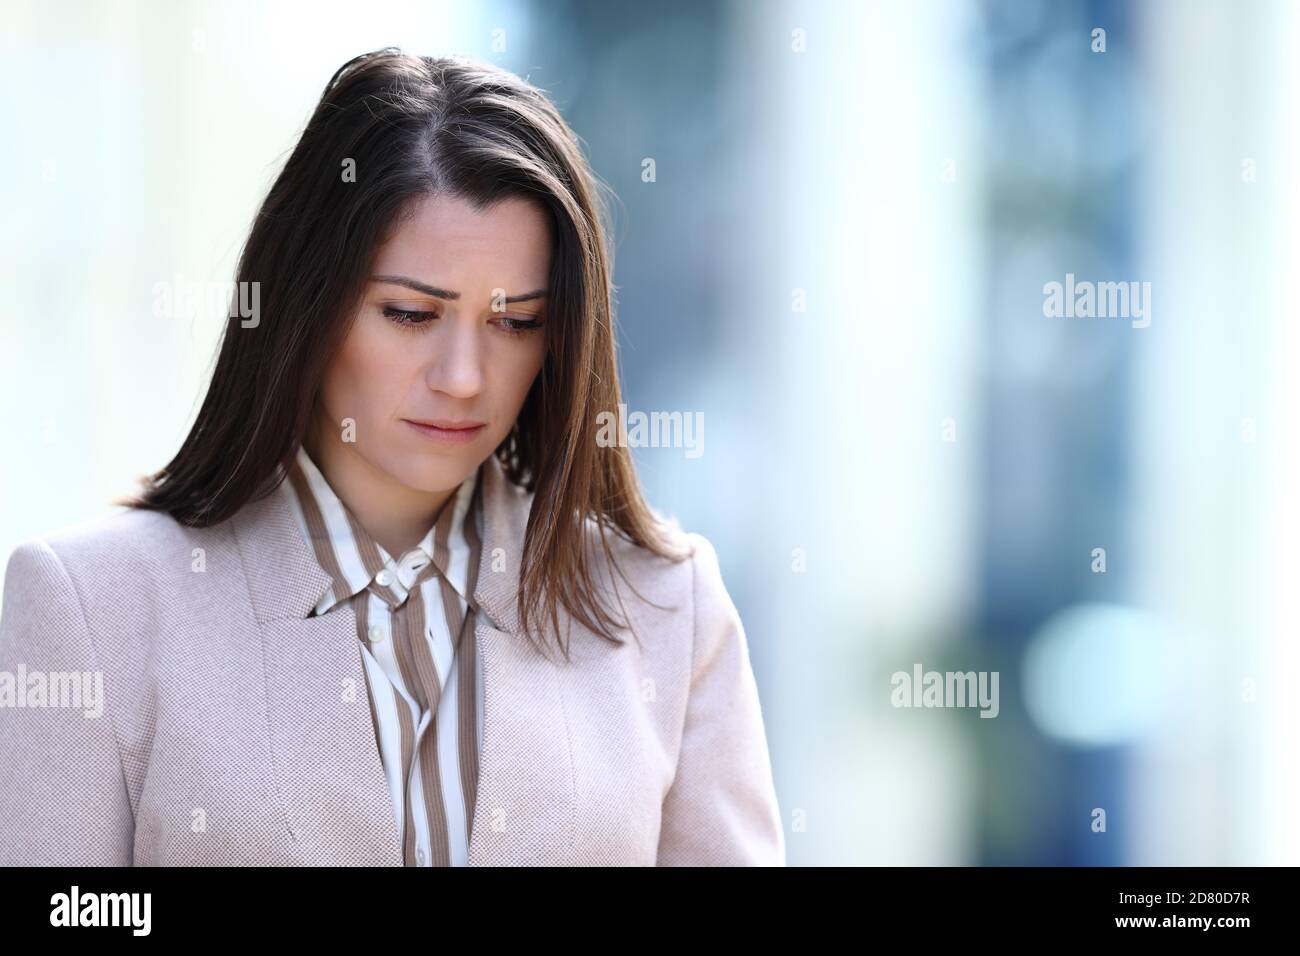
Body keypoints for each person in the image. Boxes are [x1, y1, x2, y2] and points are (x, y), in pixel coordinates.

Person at [0, 49, 784, 866]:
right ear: (309, 303)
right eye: (411, 314)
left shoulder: (667, 609)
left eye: (514, 322)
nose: (463, 378)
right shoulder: (92, 610)